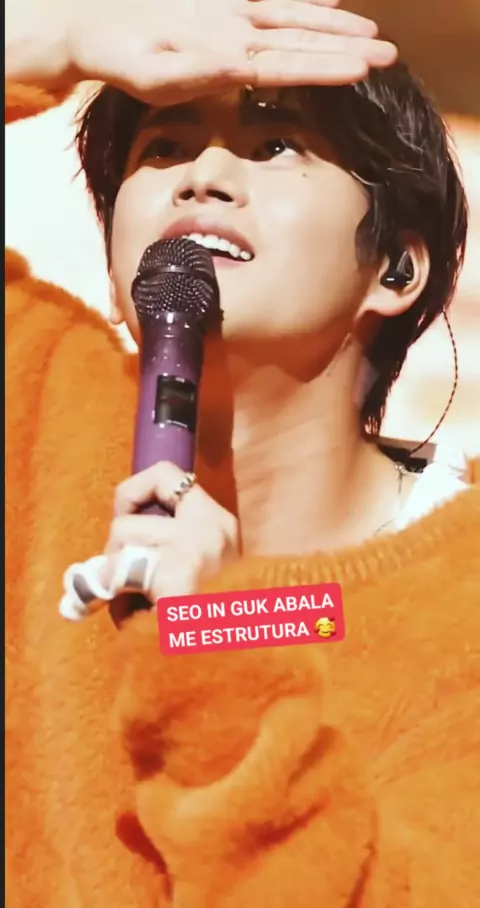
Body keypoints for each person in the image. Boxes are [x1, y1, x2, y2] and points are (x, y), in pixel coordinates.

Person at [6, 0, 480, 905]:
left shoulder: (462, 599)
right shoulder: (35, 399)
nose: (205, 176)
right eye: (163, 146)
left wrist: (209, 640)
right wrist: (60, 37)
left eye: (276, 145)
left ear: (396, 269)